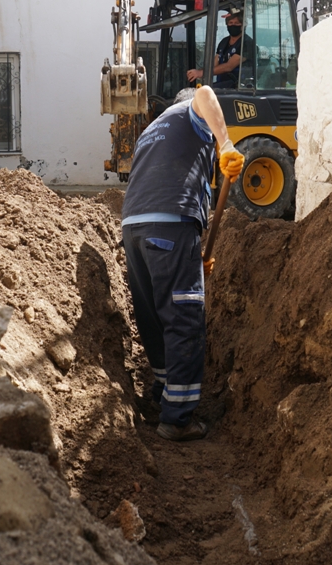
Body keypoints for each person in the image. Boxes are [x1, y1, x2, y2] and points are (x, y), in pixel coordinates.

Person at [120, 86, 244, 442]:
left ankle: (163, 392)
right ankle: (177, 418)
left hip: (134, 228)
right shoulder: (192, 111)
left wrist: (193, 259)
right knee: (184, 317)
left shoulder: (152, 130)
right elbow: (205, 93)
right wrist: (225, 143)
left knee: (154, 315)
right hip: (169, 225)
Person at [186, 8, 254, 89]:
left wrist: (201, 73)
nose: (233, 25)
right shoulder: (224, 42)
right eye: (230, 23)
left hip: (239, 86)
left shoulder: (247, 43)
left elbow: (229, 66)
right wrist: (199, 72)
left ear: (243, 25)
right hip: (222, 85)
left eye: (236, 23)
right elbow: (214, 64)